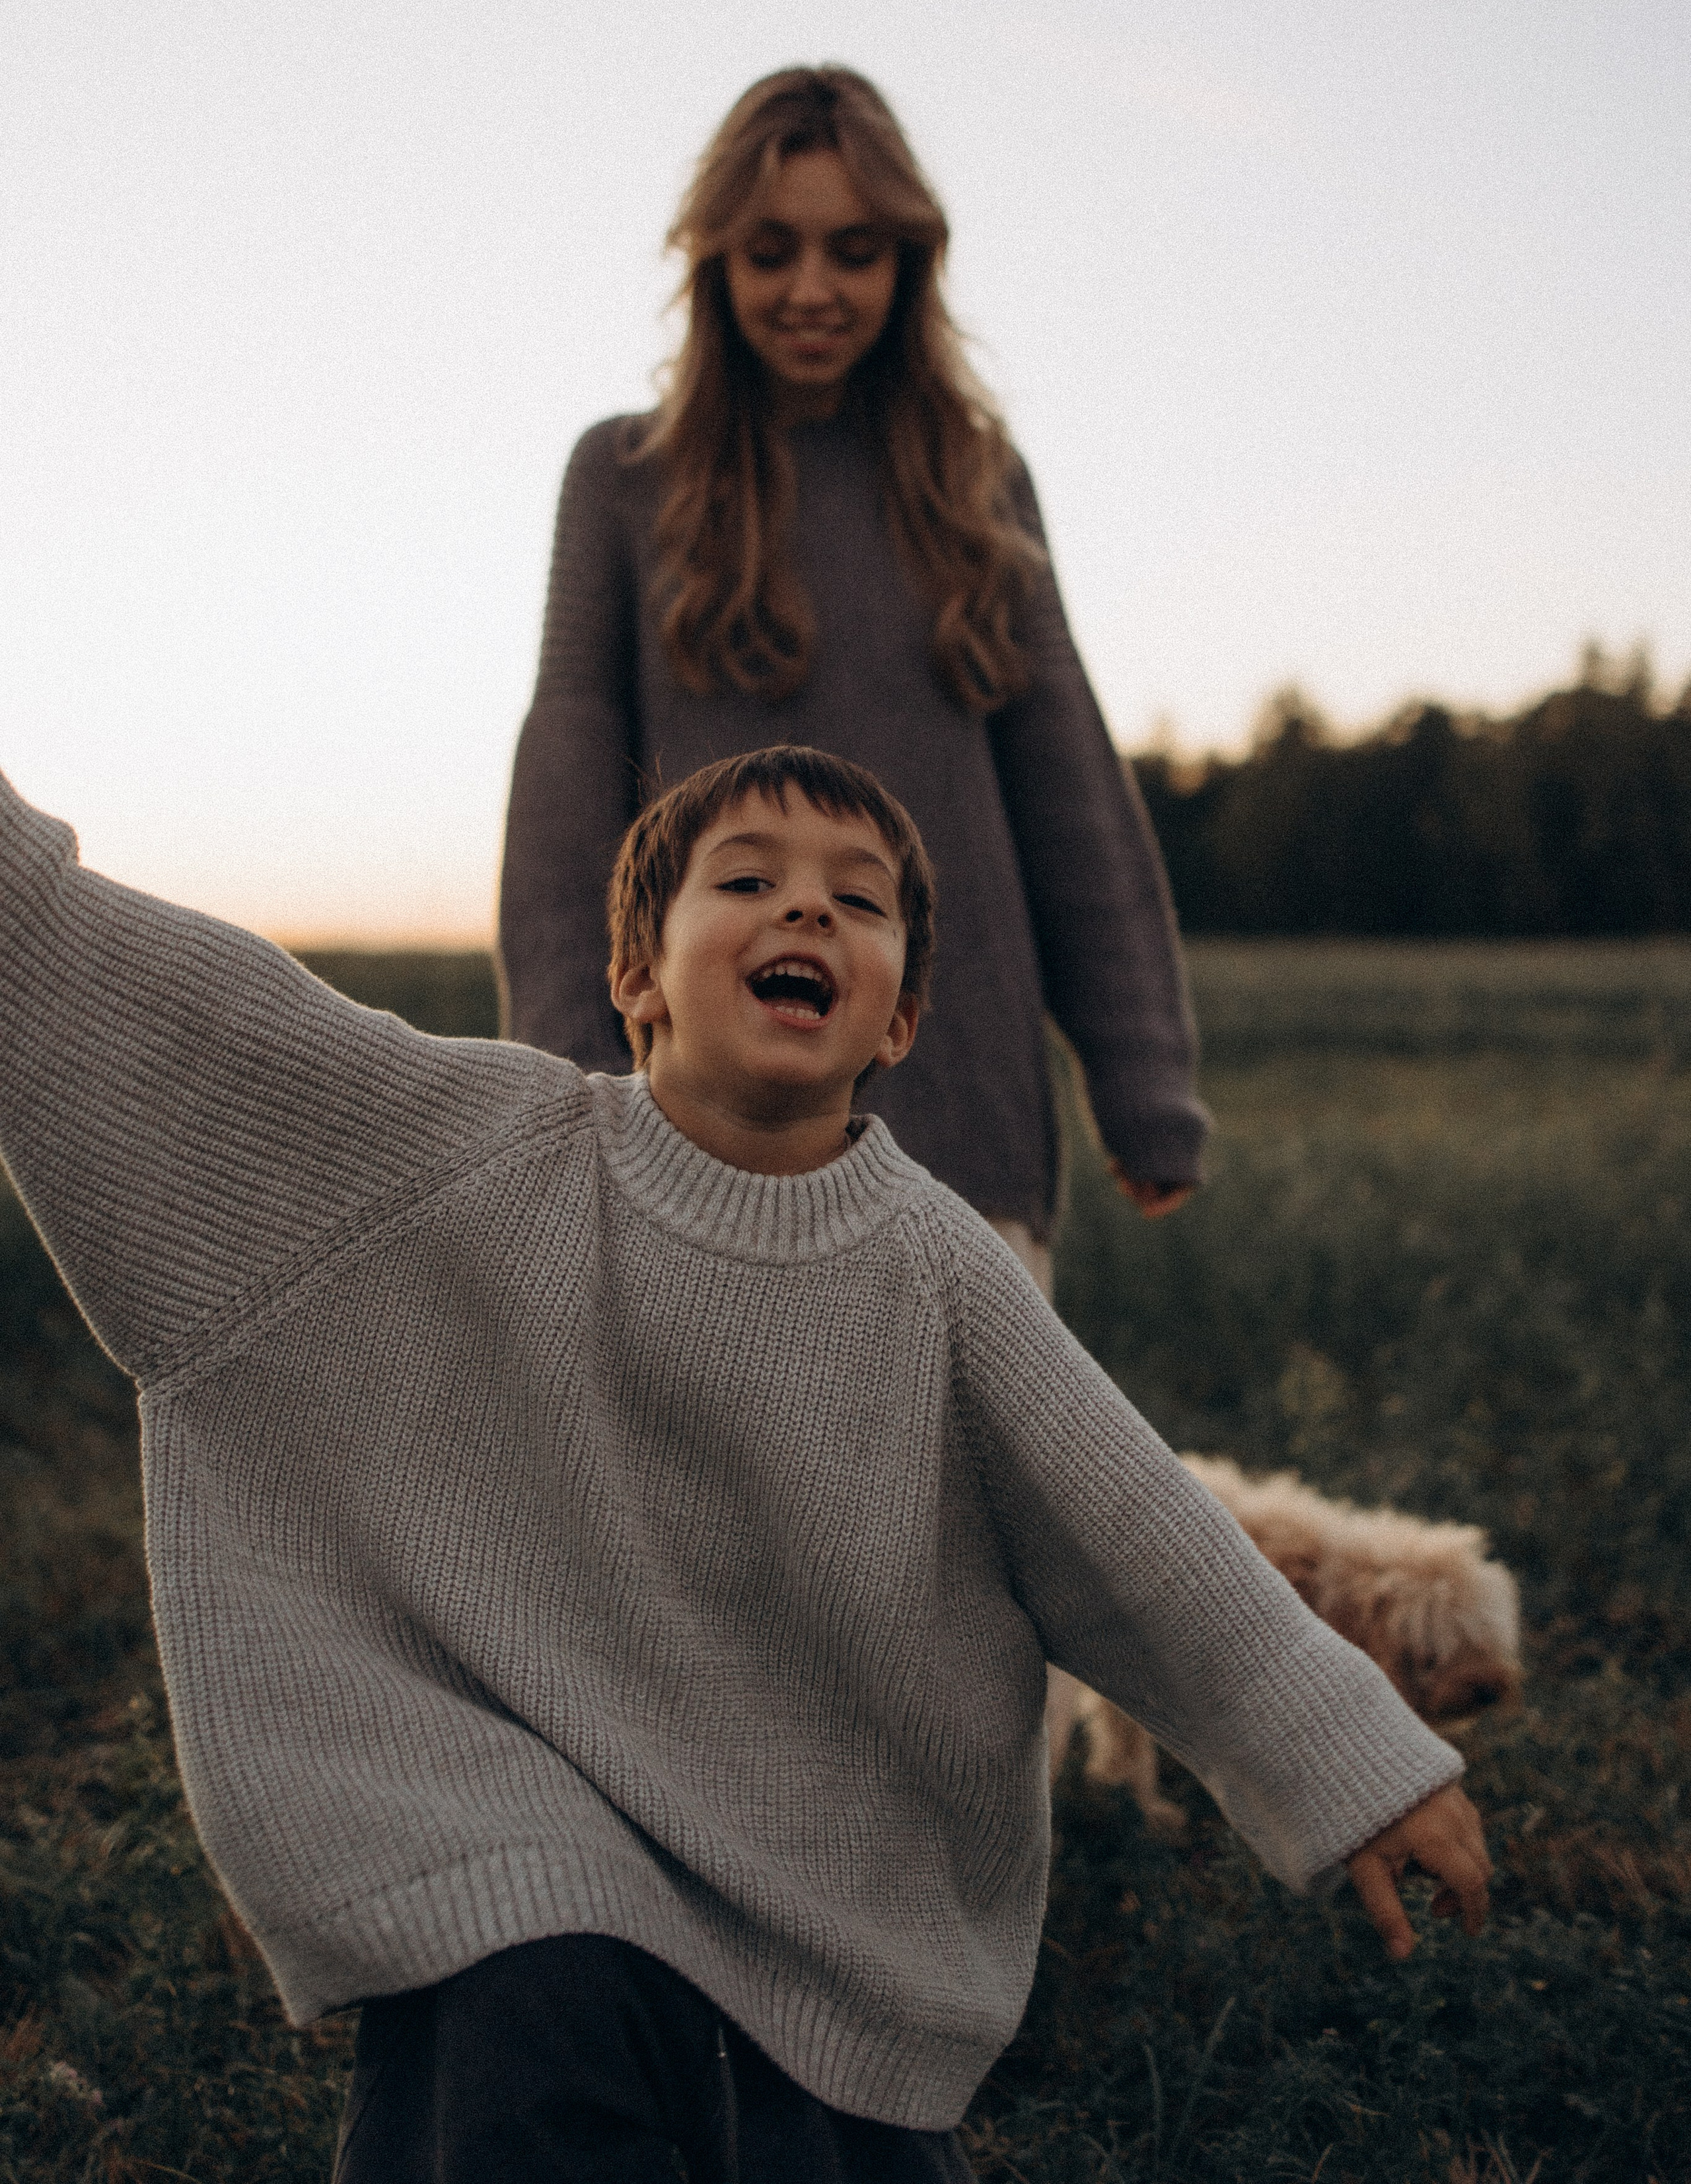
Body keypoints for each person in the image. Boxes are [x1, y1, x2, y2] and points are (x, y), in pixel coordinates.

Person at [0, 743, 1490, 2181]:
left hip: (832, 1867)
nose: (806, 910)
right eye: (747, 881)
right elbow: (204, 1032)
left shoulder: (940, 1274)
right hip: (506, 1798)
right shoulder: (491, 1152)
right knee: (530, 2017)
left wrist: (1350, 1766)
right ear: (636, 980)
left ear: (899, 1019)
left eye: (859, 898)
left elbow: (1140, 1536)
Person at [499, 64, 1208, 1298]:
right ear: (717, 263)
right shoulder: (623, 479)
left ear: (908, 265)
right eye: (772, 251)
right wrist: (568, 1080)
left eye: (856, 251)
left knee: (949, 1489)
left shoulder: (979, 485)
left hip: (966, 1110)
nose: (814, 290)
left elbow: (1070, 795)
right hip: (703, 1123)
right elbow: (568, 798)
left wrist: (1144, 1084)